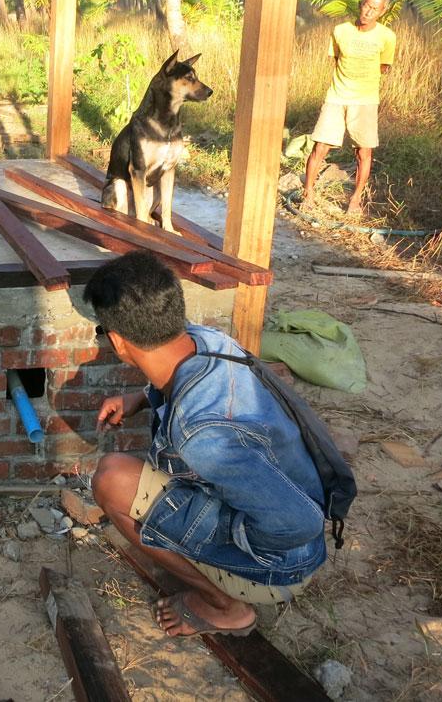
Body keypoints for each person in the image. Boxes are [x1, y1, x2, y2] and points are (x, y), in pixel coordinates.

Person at [87, 251, 327, 637]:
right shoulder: (205, 339)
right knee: (130, 475)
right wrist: (142, 397)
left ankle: (225, 605)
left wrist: (221, 535)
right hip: (287, 513)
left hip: (280, 563)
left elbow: (299, 524)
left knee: (111, 480)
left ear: (118, 341)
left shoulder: (201, 433)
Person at [301, 0, 396, 216]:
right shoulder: (341, 31)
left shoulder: (387, 37)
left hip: (365, 101)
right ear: (360, 3)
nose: (368, 12)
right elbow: (336, 60)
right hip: (336, 96)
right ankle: (308, 194)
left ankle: (355, 200)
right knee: (320, 146)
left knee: (364, 152)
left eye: (374, 8)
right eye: (366, 5)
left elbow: (383, 67)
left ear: (382, 11)